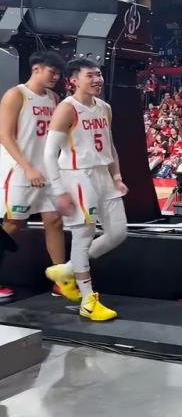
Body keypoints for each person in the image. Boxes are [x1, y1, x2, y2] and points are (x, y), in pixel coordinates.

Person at [43, 58, 128, 321]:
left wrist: (117, 175)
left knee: (118, 232)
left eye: (98, 74)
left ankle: (67, 269)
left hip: (103, 175)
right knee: (83, 236)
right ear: (74, 80)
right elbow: (49, 154)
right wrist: (59, 190)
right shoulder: (67, 109)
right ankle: (88, 300)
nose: (97, 79)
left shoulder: (104, 107)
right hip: (77, 176)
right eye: (90, 75)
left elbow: (110, 145)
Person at [0, 50, 68, 298]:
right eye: (52, 71)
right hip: (19, 170)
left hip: (47, 170)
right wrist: (28, 167)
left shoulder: (54, 98)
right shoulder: (16, 95)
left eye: (59, 73)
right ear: (36, 68)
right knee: (12, 224)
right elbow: (4, 135)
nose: (56, 77)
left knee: (54, 221)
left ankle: (62, 280)